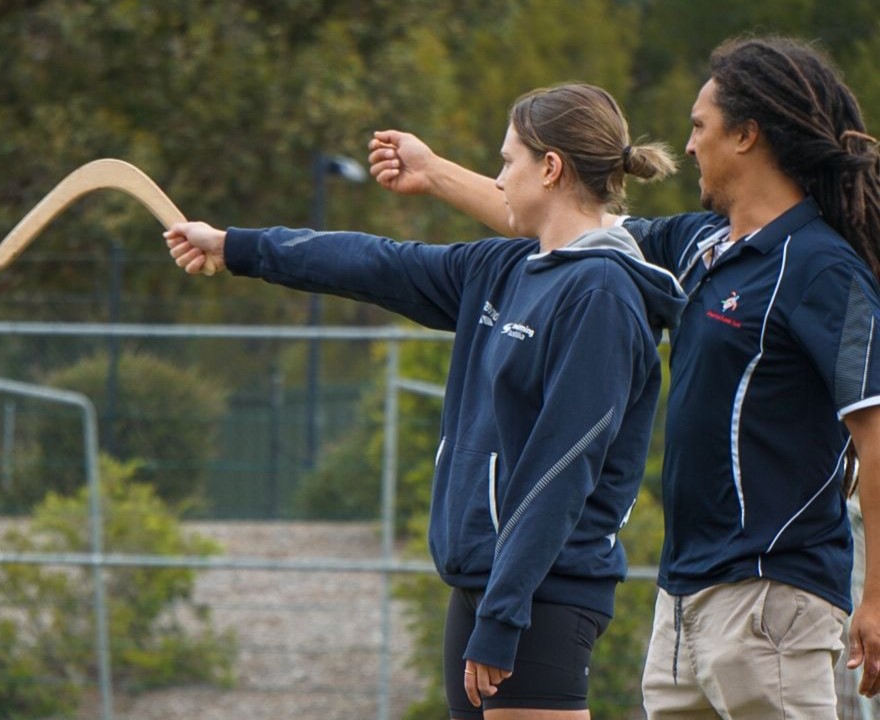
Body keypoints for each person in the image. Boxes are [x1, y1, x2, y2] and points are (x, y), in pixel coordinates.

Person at [366, 35, 880, 719]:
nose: (689, 146)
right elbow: (559, 222)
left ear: (748, 135)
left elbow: (875, 432)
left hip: (772, 598)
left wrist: (876, 593)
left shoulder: (825, 271)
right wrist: (434, 174)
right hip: (683, 597)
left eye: (701, 127)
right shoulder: (698, 246)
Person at [167, 83, 686, 719]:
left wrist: (502, 616)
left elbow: (561, 470)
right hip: (481, 586)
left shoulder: (601, 295)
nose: (497, 180)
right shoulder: (506, 267)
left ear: (550, 168)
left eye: (506, 162)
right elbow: (374, 262)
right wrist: (236, 246)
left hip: (540, 599)